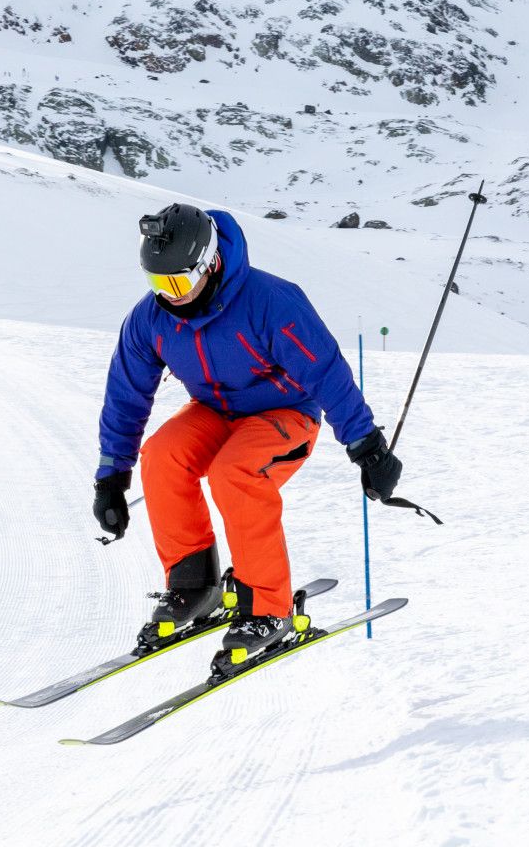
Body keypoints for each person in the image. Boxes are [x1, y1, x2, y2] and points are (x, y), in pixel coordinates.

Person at [93, 203, 403, 673]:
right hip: (215, 412)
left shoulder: (271, 302)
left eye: (177, 283)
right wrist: (111, 475)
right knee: (163, 455)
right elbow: (126, 394)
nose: (169, 296)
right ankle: (196, 583)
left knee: (235, 473)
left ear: (210, 263)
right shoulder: (150, 320)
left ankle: (268, 607)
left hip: (285, 414)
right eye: (158, 283)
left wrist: (367, 446)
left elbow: (325, 372)